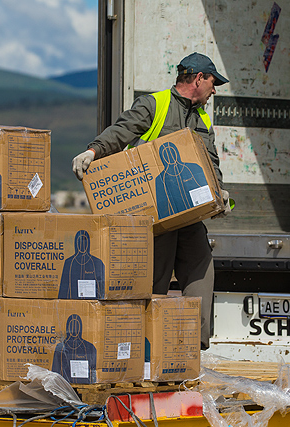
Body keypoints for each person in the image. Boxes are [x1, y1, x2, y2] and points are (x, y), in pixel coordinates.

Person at [71, 52, 230, 349]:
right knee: (156, 278)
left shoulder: (202, 117)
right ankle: (146, 346)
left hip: (190, 213)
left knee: (201, 264)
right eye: (212, 81)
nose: (214, 89)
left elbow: (211, 159)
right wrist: (93, 152)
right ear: (198, 78)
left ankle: (195, 346)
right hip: (157, 213)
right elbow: (121, 131)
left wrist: (219, 192)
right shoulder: (154, 105)